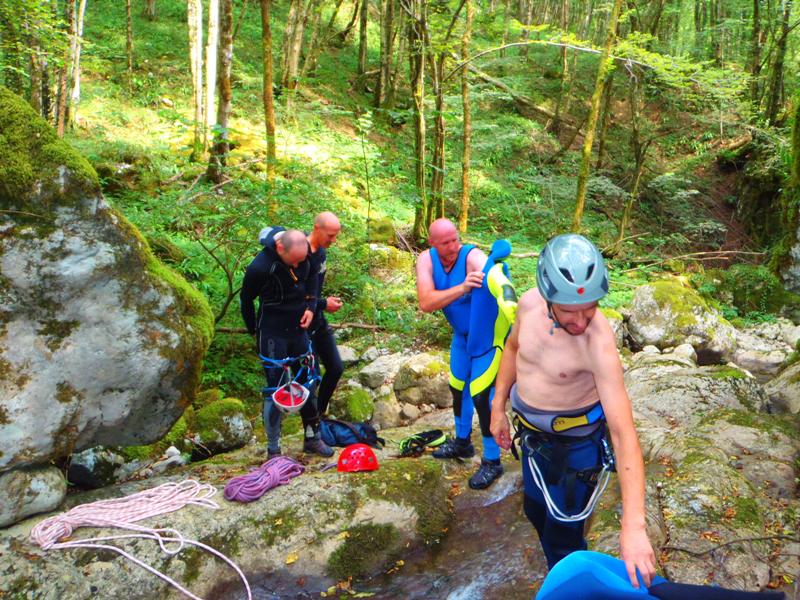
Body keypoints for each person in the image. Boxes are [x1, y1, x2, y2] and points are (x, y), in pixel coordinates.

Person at [490, 233, 656, 588]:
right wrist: (497, 406)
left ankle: (570, 584)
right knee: (535, 511)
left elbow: (624, 433)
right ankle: (561, 575)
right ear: (547, 295)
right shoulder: (529, 305)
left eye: (590, 307)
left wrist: (634, 526)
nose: (581, 321)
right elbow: (512, 348)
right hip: (532, 440)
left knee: (563, 540)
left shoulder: (597, 343)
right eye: (568, 310)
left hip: (576, 450)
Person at [416, 218, 517, 489]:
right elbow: (426, 302)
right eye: (445, 243)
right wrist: (462, 288)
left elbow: (498, 280)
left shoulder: (472, 257)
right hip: (462, 337)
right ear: (432, 243)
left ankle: (492, 461)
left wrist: (515, 312)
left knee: (482, 395)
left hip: (487, 337)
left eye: (455, 240)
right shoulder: (426, 260)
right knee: (457, 388)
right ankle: (462, 443)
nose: (452, 246)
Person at [240, 226, 334, 458]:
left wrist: (311, 308)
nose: (297, 266)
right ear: (281, 248)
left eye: (300, 261)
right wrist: (253, 331)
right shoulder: (260, 267)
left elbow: (312, 280)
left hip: (299, 329)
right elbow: (246, 299)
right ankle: (274, 450)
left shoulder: (304, 254)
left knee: (308, 381)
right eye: (294, 262)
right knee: (276, 390)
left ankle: (312, 437)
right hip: (272, 333)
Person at [307, 212, 344, 416]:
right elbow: (295, 296)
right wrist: (324, 303)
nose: (334, 240)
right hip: (302, 326)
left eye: (336, 235)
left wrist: (322, 303)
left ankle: (319, 415)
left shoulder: (321, 252)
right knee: (311, 377)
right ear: (317, 229)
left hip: (318, 320)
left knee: (336, 368)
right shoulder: (300, 254)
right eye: (331, 235)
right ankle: (310, 423)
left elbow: (312, 292)